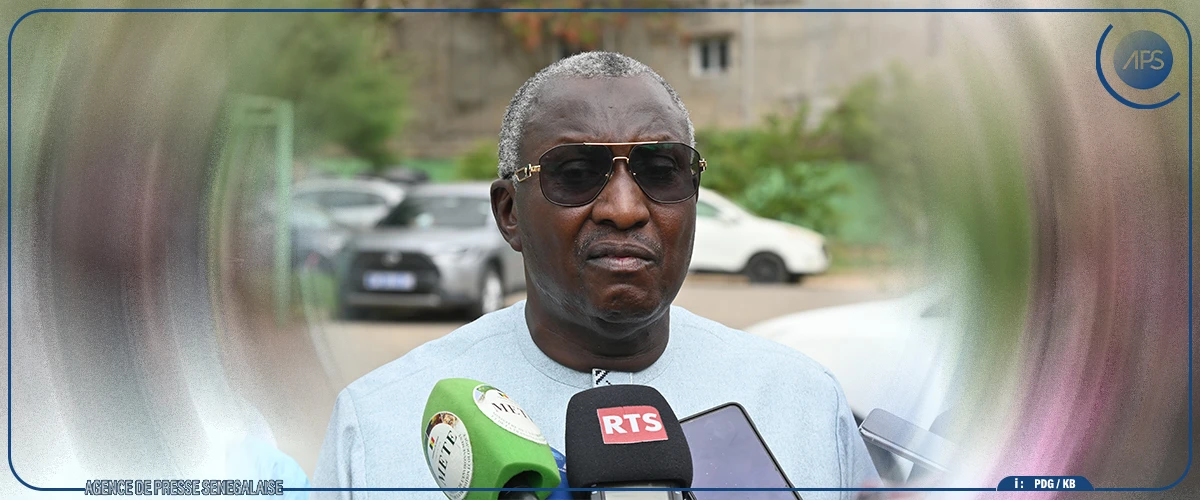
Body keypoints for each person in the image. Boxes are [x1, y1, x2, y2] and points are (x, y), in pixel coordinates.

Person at [313, 51, 879, 499]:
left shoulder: (803, 401)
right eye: (576, 172)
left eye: (662, 169)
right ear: (510, 214)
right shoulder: (381, 420)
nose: (625, 209)